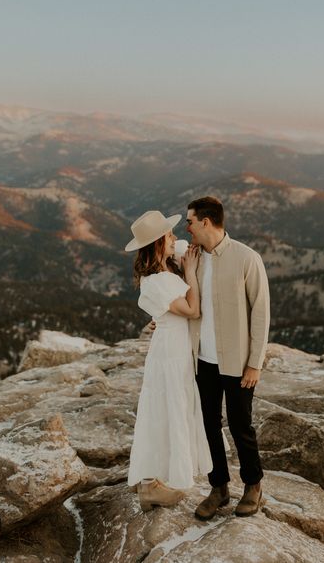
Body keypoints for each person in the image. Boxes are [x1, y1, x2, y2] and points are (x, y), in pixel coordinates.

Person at [185, 196, 270, 519]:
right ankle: (218, 487)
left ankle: (253, 485)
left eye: (189, 221)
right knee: (207, 424)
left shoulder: (247, 259)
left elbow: (261, 314)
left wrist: (255, 363)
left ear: (206, 222)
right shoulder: (192, 259)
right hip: (202, 360)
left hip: (237, 362)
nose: (187, 227)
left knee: (240, 424)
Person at [125, 210, 212, 512]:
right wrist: (189, 272)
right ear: (159, 243)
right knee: (167, 410)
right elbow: (192, 311)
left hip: (175, 349)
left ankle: (155, 480)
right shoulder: (159, 280)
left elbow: (188, 249)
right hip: (171, 354)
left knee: (171, 408)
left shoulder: (164, 269)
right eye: (170, 235)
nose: (176, 238)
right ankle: (152, 484)